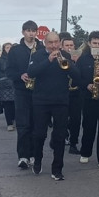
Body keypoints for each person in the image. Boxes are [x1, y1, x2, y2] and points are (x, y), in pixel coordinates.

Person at [24, 31, 75, 180]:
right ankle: (37, 160)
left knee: (60, 136)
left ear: (60, 42)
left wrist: (70, 65)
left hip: (61, 101)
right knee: (39, 134)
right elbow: (31, 72)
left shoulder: (66, 56)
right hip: (41, 101)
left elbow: (76, 75)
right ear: (45, 43)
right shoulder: (37, 55)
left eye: (56, 42)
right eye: (50, 42)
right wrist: (48, 60)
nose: (54, 45)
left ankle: (57, 169)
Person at [76, 31, 99, 167]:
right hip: (88, 97)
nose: (97, 45)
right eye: (94, 43)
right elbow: (77, 77)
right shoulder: (82, 59)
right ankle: (85, 153)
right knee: (88, 126)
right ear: (89, 43)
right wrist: (87, 85)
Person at [11, 21, 42, 168]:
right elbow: (9, 70)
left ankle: (34, 154)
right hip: (22, 91)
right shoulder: (15, 50)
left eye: (33, 31)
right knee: (23, 125)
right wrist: (20, 75)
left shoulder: (41, 49)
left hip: (38, 92)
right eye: (28, 31)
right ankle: (23, 156)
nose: (31, 33)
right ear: (23, 32)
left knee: (36, 125)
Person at [62, 34, 83, 154]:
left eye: (71, 45)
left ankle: (73, 143)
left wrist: (76, 62)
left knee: (76, 120)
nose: (69, 47)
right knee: (62, 118)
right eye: (67, 45)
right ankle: (61, 137)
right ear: (62, 47)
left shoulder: (79, 58)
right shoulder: (59, 57)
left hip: (76, 92)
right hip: (63, 93)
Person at [0, 42, 17, 130]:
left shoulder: (16, 59)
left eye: (10, 47)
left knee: (15, 104)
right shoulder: (0, 60)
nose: (9, 49)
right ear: (4, 49)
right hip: (4, 85)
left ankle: (14, 120)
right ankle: (9, 123)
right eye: (7, 47)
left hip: (14, 84)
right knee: (7, 105)